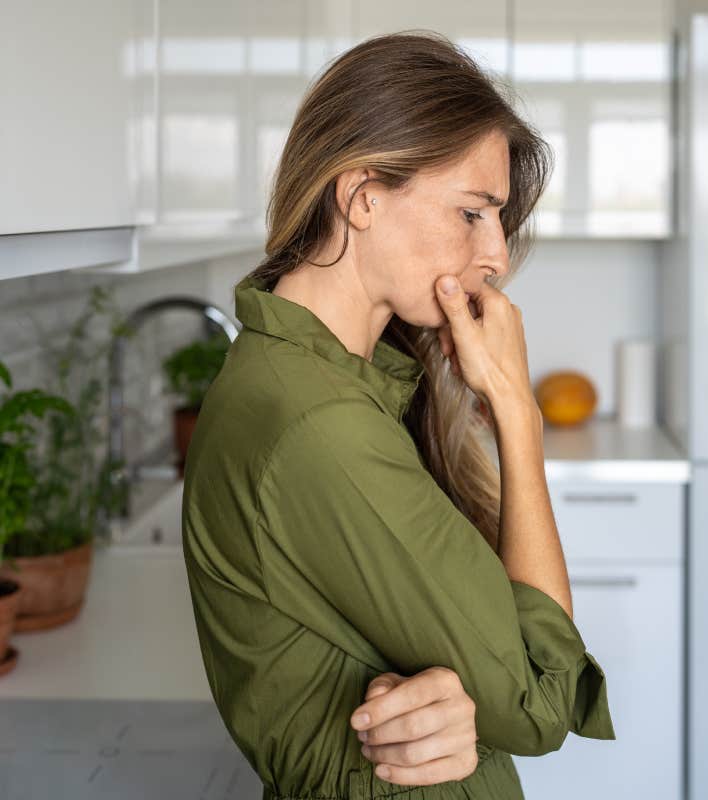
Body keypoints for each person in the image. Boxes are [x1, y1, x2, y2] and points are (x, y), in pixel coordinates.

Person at [181, 29, 615, 800]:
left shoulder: (330, 382)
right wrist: (517, 409)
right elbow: (543, 699)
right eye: (473, 213)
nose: (497, 258)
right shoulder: (322, 426)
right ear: (362, 195)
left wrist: (459, 704)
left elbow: (440, 652)